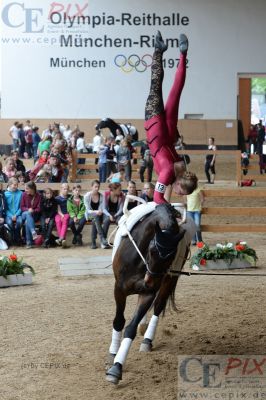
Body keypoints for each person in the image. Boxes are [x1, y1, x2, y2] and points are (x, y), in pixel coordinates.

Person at [144, 31, 197, 204]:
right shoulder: (168, 173)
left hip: (169, 131)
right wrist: (172, 210)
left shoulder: (181, 167)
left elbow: (167, 188)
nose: (178, 195)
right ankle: (158, 49)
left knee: (176, 90)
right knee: (156, 84)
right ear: (180, 187)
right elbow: (158, 198)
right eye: (181, 193)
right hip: (156, 129)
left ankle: (183, 54)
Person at [84, 180, 109, 249]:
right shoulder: (87, 196)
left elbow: (103, 208)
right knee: (95, 218)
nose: (97, 188)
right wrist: (96, 211)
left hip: (100, 214)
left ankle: (95, 242)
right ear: (92, 187)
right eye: (95, 187)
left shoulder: (102, 196)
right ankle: (102, 238)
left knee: (107, 219)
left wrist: (109, 215)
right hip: (90, 215)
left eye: (98, 187)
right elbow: (87, 210)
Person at [21, 181, 41, 248]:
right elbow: (22, 207)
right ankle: (33, 231)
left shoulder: (38, 196)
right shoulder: (24, 194)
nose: (25, 190)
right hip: (24, 214)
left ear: (32, 189)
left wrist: (33, 210)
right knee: (27, 214)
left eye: (27, 188)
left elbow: (39, 208)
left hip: (34, 215)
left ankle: (29, 243)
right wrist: (28, 210)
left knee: (27, 222)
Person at [4, 177, 23, 245]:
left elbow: (21, 206)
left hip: (18, 214)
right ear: (9, 184)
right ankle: (12, 238)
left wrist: (16, 214)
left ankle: (17, 237)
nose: (15, 186)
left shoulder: (20, 193)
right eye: (14, 185)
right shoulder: (5, 194)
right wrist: (11, 215)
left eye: (16, 185)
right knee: (9, 223)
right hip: (8, 214)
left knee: (20, 222)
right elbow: (5, 208)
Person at [55, 183, 70, 247]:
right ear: (61, 189)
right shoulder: (57, 198)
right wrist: (61, 215)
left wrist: (64, 215)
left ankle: (61, 239)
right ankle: (63, 240)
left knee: (65, 220)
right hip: (59, 213)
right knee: (58, 221)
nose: (66, 190)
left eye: (67, 189)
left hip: (67, 213)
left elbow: (71, 208)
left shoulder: (69, 198)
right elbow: (58, 209)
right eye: (64, 189)